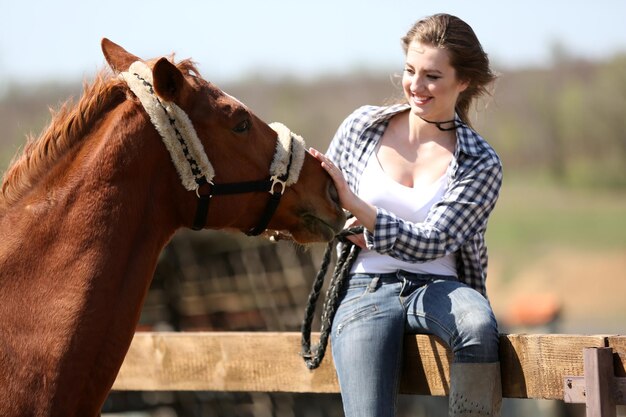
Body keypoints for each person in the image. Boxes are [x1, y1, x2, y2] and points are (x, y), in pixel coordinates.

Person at [309, 13, 503, 417]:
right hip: (366, 284)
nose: (416, 86)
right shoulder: (361, 127)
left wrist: (362, 211)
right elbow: (328, 206)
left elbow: (434, 240)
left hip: (440, 285)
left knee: (477, 324)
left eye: (432, 76)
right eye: (410, 70)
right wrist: (341, 221)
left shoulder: (480, 162)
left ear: (462, 81)